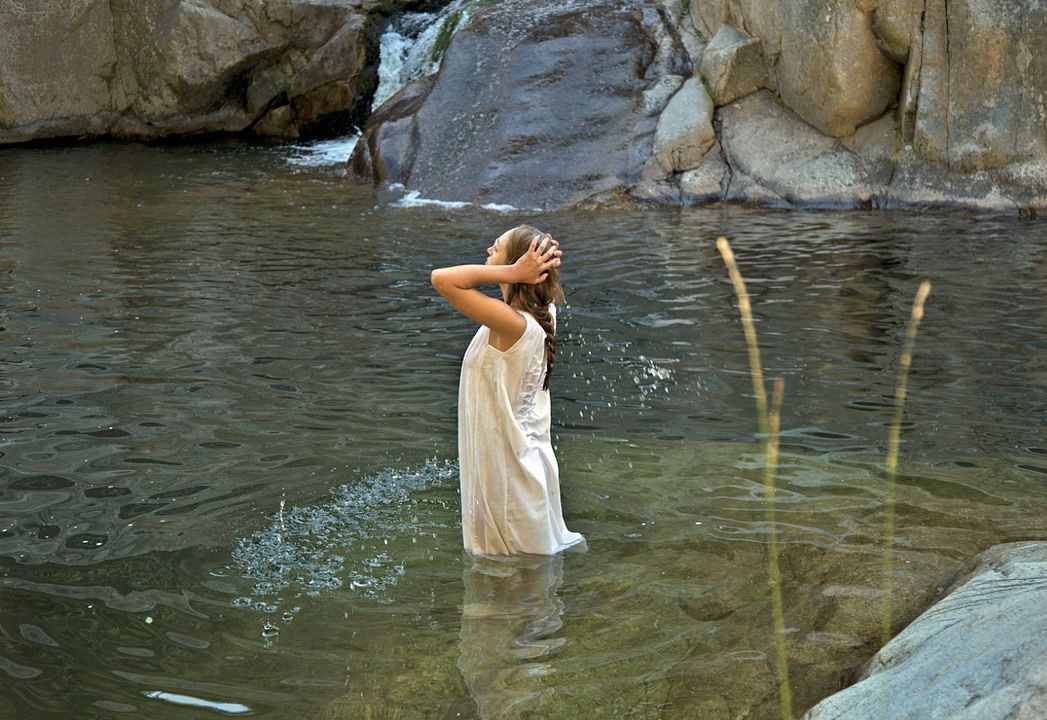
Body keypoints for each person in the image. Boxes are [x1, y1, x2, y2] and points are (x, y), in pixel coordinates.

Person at [431, 225, 585, 556]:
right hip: (521, 465)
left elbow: (441, 279)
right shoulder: (541, 315)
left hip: (508, 476)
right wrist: (523, 268)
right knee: (523, 582)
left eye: (497, 246)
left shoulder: (512, 324)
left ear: (518, 264)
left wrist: (515, 271)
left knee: (507, 581)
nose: (488, 248)